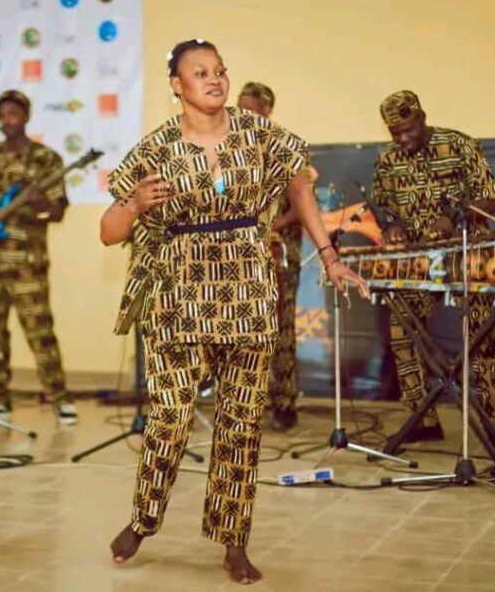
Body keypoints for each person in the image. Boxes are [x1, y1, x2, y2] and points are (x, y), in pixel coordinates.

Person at [100, 39, 368, 584]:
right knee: (169, 422)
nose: (214, 79)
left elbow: (300, 189)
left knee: (241, 425)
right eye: (200, 72)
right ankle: (143, 518)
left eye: (219, 70)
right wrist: (132, 205)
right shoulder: (154, 150)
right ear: (176, 85)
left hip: (247, 291)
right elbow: (108, 232)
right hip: (179, 296)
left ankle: (234, 541)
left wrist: (330, 255)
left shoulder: (260, 134)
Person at [370, 89, 495, 441]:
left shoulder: (458, 145)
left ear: (422, 117)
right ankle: (423, 419)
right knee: (404, 332)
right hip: (416, 261)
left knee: (480, 337)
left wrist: (452, 219)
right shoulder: (387, 160)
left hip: (464, 254)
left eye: (408, 130)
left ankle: (494, 425)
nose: (402, 138)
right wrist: (392, 226)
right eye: (394, 133)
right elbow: (382, 207)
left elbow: (491, 197)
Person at [0, 90, 77, 425]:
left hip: (27, 263)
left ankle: (58, 397)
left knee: (40, 332)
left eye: (14, 113)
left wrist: (39, 203)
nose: (8, 120)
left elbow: (57, 212)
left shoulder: (46, 159)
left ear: (26, 116)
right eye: (3, 114)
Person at [237, 81, 314, 431]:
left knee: (279, 330)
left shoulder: (288, 147)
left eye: (249, 109)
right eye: (239, 107)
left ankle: (284, 402)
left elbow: (303, 204)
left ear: (266, 111)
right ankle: (246, 402)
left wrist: (273, 226)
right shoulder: (229, 147)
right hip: (239, 254)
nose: (241, 115)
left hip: (280, 251)